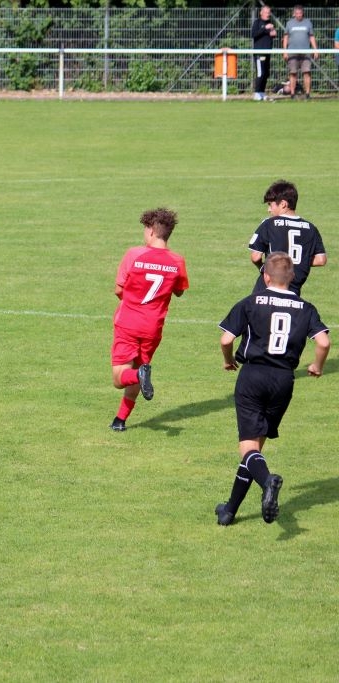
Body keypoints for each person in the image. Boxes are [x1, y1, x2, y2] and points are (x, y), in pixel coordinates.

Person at [214, 252, 329, 526]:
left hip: (253, 376)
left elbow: (226, 338)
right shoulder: (306, 307)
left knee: (248, 449)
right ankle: (229, 510)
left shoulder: (252, 302)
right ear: (291, 278)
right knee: (255, 450)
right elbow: (323, 342)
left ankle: (268, 481)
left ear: (265, 276)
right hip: (284, 380)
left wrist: (229, 360)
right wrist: (316, 365)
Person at [109, 208, 189, 432]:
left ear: (152, 231)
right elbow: (180, 291)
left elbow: (118, 290)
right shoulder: (177, 261)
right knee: (138, 369)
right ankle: (120, 420)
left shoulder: (134, 254)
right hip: (153, 328)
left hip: (128, 322)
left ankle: (139, 376)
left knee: (120, 377)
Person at [248, 179, 326, 297]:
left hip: (267, 287)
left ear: (283, 204)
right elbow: (321, 260)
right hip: (293, 291)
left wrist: (263, 268)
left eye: (270, 205)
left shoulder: (269, 223)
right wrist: (298, 261)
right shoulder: (311, 228)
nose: (268, 209)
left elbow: (255, 257)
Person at [282, 5, 317, 99]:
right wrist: (285, 51)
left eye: (300, 13)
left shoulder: (308, 22)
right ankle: (292, 94)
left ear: (302, 13)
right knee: (293, 73)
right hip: (292, 52)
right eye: (297, 13)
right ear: (294, 14)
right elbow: (285, 38)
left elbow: (311, 37)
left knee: (307, 72)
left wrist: (315, 50)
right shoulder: (289, 23)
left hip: (306, 52)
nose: (298, 15)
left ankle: (308, 94)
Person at [251, 5, 277, 101]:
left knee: (266, 73)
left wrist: (273, 32)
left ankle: (262, 92)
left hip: (267, 52)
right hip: (259, 53)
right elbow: (253, 34)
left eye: (269, 12)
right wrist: (264, 28)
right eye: (266, 12)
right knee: (260, 73)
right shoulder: (257, 22)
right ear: (261, 13)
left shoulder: (270, 23)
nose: (268, 14)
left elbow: (272, 35)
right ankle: (256, 93)